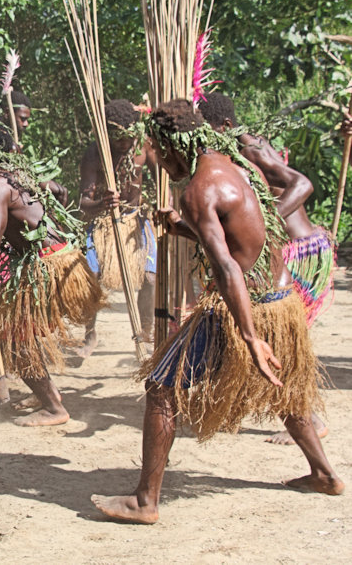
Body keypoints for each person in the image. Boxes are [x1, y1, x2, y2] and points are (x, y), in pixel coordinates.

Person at [92, 100, 344, 525]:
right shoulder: (234, 164)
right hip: (281, 299)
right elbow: (241, 233)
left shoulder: (197, 190)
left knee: (160, 386)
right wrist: (181, 227)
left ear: (174, 145)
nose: (158, 160)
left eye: (157, 149)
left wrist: (249, 337)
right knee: (282, 387)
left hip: (248, 305)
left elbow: (227, 267)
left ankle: (145, 501)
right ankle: (324, 473)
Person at [199, 92, 332, 444]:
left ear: (225, 126)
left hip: (301, 250)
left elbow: (302, 184)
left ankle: (309, 418)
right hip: (286, 249)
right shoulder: (229, 155)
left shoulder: (248, 147)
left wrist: (267, 220)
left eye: (208, 130)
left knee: (282, 335)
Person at [0, 121, 104, 426]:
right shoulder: (20, 176)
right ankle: (46, 394)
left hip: (45, 265)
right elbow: (59, 191)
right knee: (25, 335)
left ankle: (53, 408)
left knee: (15, 338)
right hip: (60, 256)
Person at [79, 99, 157, 353]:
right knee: (91, 276)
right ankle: (90, 331)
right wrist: (102, 203)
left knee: (150, 277)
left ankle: (145, 331)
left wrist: (159, 201)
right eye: (118, 139)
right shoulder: (95, 153)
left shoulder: (144, 147)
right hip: (104, 221)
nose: (124, 144)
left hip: (136, 218)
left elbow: (165, 176)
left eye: (128, 138)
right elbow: (83, 202)